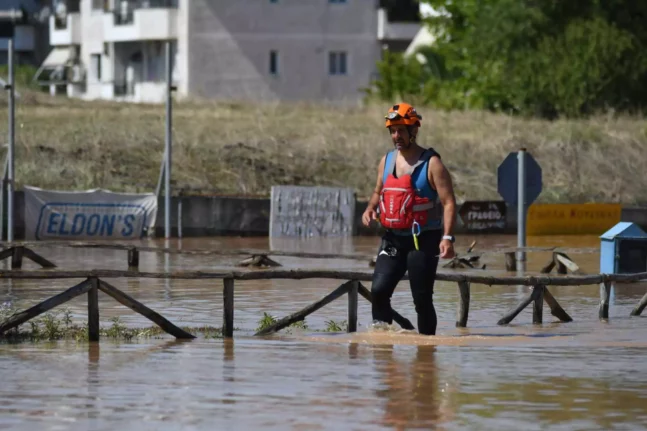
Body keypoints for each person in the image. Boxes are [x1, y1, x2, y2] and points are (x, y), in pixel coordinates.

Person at [362, 102, 457, 335]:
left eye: (401, 130)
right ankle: (383, 349)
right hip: (393, 239)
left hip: (423, 239)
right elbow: (378, 191)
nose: (396, 136)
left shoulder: (432, 164)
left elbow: (449, 202)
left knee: (421, 299)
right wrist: (370, 208)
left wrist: (447, 237)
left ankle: (426, 355)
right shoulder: (386, 161)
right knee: (379, 290)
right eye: (392, 131)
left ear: (414, 130)